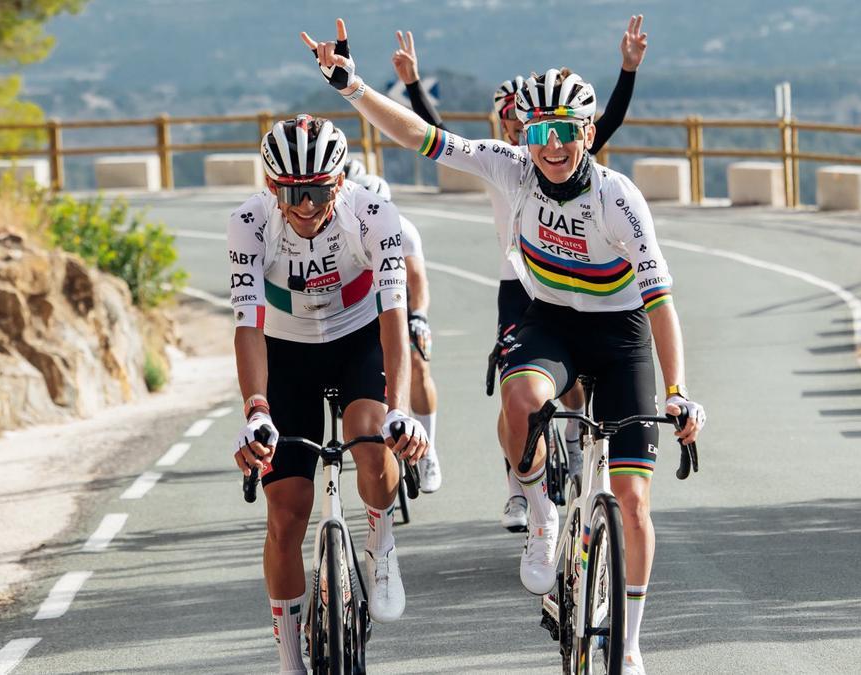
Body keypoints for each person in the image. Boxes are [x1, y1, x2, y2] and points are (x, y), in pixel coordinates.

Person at [301, 21, 705, 675]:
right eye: (538, 132)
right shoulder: (510, 165)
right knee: (521, 396)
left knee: (632, 501)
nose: (549, 146)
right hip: (548, 320)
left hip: (620, 331)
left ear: (587, 132)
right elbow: (422, 136)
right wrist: (354, 89)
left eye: (564, 132)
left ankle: (629, 639)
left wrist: (680, 390)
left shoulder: (617, 200)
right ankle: (541, 511)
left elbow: (659, 301)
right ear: (527, 133)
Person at [390, 17, 650, 532]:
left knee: (572, 381)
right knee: (517, 387)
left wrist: (627, 69)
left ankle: (574, 450)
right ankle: (518, 489)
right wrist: (414, 84)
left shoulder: (564, 156)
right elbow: (435, 134)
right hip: (519, 286)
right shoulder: (506, 161)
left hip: (576, 288)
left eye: (524, 120)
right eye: (514, 122)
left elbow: (610, 120)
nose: (526, 132)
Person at [229, 114, 429, 674]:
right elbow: (247, 323)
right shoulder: (248, 222)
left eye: (319, 189)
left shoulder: (373, 214)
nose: (308, 204)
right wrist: (256, 410)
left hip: (357, 338)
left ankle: (382, 538)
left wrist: (402, 410)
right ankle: (291, 660)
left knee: (371, 438)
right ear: (273, 186)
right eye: (294, 191)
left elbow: (395, 313)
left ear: (339, 182)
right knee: (286, 514)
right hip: (285, 352)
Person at [351, 172, 442, 492]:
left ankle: (428, 449)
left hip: (398, 303)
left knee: (417, 364)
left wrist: (419, 316)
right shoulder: (341, 233)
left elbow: (417, 280)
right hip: (359, 311)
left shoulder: (403, 230)